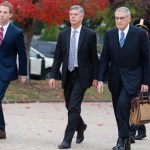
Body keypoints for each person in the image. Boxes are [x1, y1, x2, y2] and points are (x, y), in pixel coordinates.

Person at [97, 7, 149, 150]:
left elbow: (146, 60)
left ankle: (122, 139)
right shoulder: (110, 34)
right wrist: (100, 79)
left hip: (133, 79)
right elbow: (104, 59)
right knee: (118, 110)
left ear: (128, 18)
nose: (118, 21)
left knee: (122, 105)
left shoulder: (139, 34)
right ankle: (125, 142)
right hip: (115, 79)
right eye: (116, 18)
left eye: (121, 18)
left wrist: (146, 82)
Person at [48, 5, 98, 149]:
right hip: (67, 75)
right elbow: (57, 57)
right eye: (71, 14)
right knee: (69, 106)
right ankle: (81, 126)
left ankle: (67, 140)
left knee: (74, 107)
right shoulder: (63, 34)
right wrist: (52, 76)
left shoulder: (90, 34)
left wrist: (95, 78)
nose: (73, 16)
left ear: (82, 17)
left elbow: (94, 58)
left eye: (76, 14)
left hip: (82, 76)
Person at [0, 1, 27, 139]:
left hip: (5, 70)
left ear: (10, 15)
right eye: (0, 11)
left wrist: (23, 73)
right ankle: (1, 129)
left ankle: (1, 129)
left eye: (5, 12)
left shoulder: (17, 32)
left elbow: (22, 54)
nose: (2, 14)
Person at [129, 18, 150, 143]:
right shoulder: (131, 43)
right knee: (138, 103)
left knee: (138, 103)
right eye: (138, 29)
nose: (140, 32)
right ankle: (141, 131)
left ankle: (131, 133)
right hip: (133, 78)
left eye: (144, 30)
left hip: (147, 80)